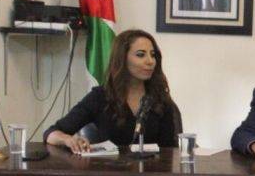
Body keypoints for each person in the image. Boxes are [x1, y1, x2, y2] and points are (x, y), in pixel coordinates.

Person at [45, 29, 178, 152]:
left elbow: (170, 152)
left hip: (151, 169)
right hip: (110, 168)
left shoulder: (160, 98)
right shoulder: (101, 96)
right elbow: (51, 133)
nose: (150, 61)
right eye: (141, 55)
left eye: (153, 55)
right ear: (122, 58)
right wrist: (68, 140)